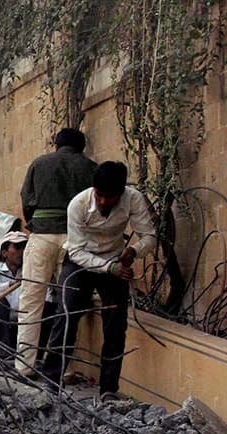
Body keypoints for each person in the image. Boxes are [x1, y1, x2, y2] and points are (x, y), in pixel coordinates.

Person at [42, 161, 156, 399]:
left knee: (116, 326)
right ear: (93, 189)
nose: (104, 202)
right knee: (66, 316)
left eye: (110, 197)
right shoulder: (78, 204)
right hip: (81, 261)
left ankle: (109, 390)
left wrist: (134, 251)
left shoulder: (133, 199)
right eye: (100, 195)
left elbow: (149, 237)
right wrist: (108, 268)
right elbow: (75, 252)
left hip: (115, 258)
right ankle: (51, 383)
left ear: (121, 192)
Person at [16, 128, 97, 376]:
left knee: (31, 299)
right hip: (75, 241)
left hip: (42, 236)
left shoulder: (39, 164)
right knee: (68, 304)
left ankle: (24, 364)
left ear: (56, 144)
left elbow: (26, 199)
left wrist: (36, 224)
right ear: (81, 146)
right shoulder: (91, 167)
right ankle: (64, 368)